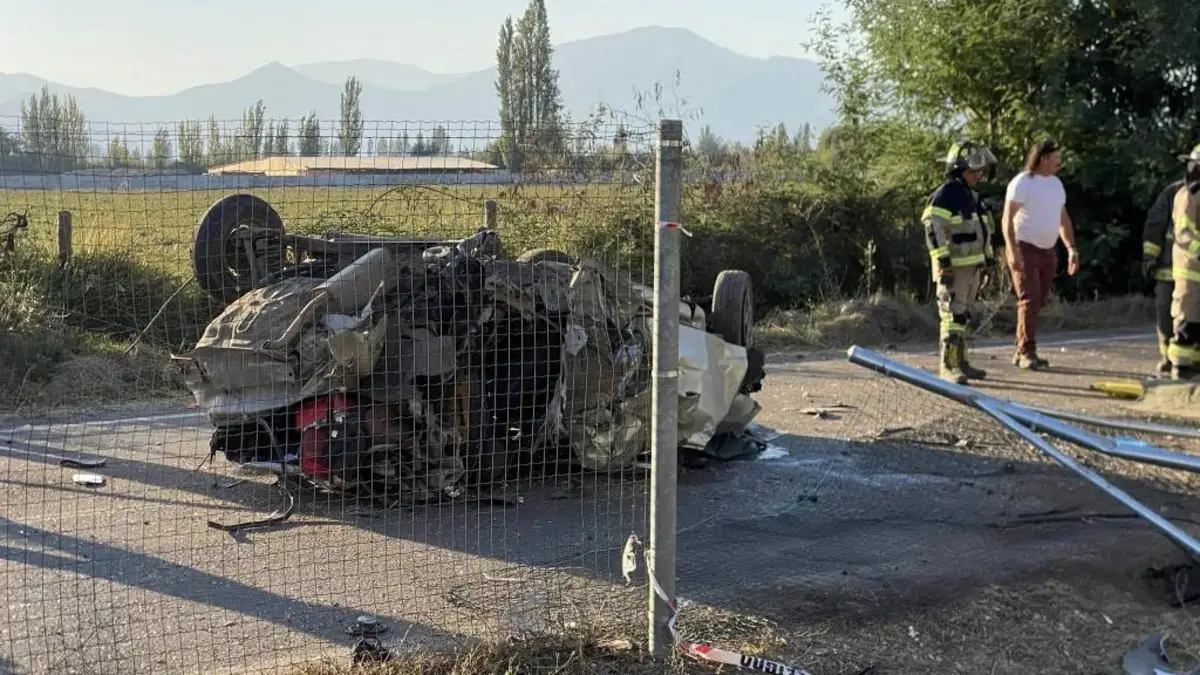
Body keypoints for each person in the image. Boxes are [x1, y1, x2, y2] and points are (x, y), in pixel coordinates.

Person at [922, 139, 998, 384]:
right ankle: (948, 366)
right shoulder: (946, 195)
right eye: (974, 170)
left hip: (972, 266)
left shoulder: (971, 196)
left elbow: (983, 229)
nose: (979, 175)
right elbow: (932, 226)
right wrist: (943, 261)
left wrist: (987, 260)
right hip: (954, 268)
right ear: (959, 170)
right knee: (952, 317)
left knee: (964, 317)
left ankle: (962, 362)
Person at [1000, 139, 1080, 370]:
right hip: (1024, 247)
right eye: (1056, 159)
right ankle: (1027, 352)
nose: (1059, 163)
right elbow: (1007, 219)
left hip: (1048, 250)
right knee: (1030, 298)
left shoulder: (1056, 184)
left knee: (1039, 300)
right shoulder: (1022, 182)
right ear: (1043, 158)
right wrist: (1012, 251)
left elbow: (1062, 218)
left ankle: (1020, 348)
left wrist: (1071, 248)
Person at [1142, 175, 1185, 375]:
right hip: (1170, 266)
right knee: (1164, 309)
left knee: (1188, 313)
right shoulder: (1174, 192)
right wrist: (1150, 258)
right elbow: (1155, 224)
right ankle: (1167, 356)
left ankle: (1185, 358)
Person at [1167, 145, 1200, 380]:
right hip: (1191, 267)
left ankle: (1195, 363)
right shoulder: (1187, 195)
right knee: (1187, 318)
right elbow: (1184, 232)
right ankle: (1180, 366)